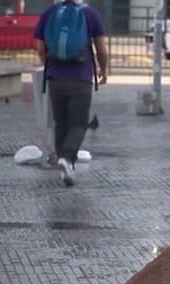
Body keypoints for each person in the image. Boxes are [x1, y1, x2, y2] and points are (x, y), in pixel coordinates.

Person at [34, 0, 108, 186]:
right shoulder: (91, 14)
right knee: (79, 124)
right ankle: (66, 159)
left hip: (55, 79)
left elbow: (40, 48)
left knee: (61, 123)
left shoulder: (49, 13)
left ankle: (66, 168)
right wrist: (103, 69)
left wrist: (50, 65)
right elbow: (101, 48)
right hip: (80, 79)